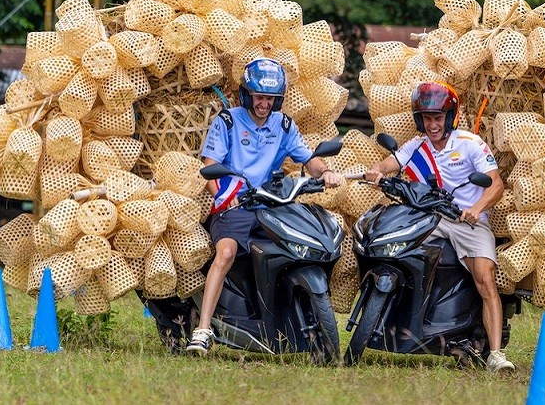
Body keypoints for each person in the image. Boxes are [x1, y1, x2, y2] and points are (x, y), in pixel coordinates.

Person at [186, 57, 343, 355]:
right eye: (259, 97)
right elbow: (210, 166)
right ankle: (203, 330)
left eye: (270, 98)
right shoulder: (228, 121)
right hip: (235, 204)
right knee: (226, 252)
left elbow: (307, 158)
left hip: (272, 204)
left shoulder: (283, 124)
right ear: (247, 94)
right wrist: (224, 195)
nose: (264, 104)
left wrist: (325, 173)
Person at [364, 82, 513, 372]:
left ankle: (496, 356)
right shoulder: (417, 147)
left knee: (486, 279)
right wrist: (376, 172)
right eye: (427, 119)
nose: (432, 125)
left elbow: (496, 184)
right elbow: (388, 164)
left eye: (438, 118)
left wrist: (477, 208)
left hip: (465, 221)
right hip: (428, 218)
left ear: (450, 117)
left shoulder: (470, 144)